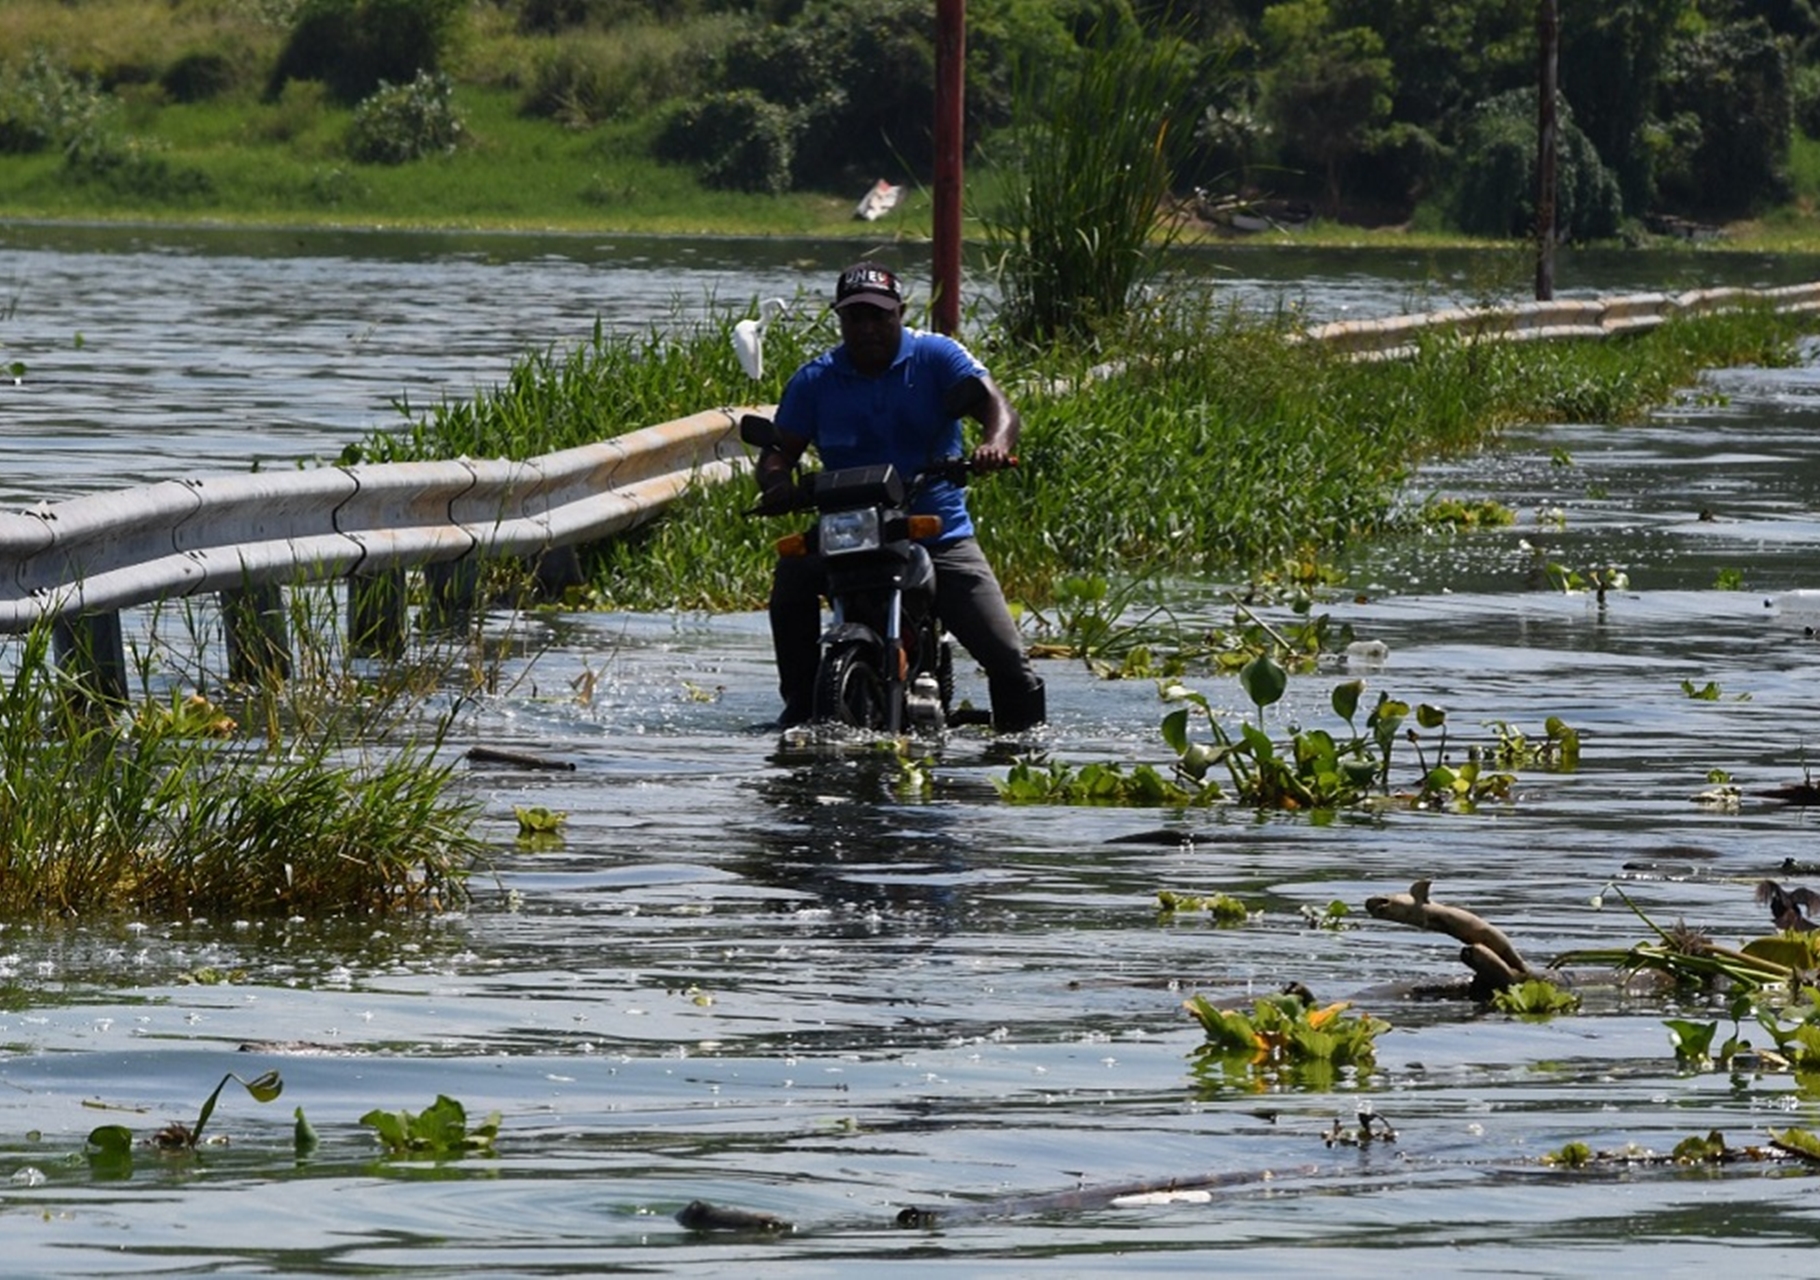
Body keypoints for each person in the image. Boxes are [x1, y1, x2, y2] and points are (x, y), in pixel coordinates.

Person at [755, 260, 1047, 732]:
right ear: (840, 320)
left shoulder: (937, 356)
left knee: (1009, 660)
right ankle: (800, 706)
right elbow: (778, 450)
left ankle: (1024, 749)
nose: (867, 328)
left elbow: (998, 406)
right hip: (848, 530)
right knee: (791, 574)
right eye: (855, 318)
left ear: (900, 313)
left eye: (879, 316)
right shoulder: (815, 379)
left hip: (934, 530)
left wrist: (994, 444)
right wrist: (775, 483)